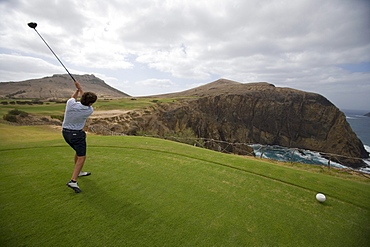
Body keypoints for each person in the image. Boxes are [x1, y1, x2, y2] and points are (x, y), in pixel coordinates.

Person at [62, 80, 97, 193]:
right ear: (91, 103)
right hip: (77, 135)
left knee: (78, 152)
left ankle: (79, 171)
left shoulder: (70, 104)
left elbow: (76, 98)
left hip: (65, 133)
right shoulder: (89, 110)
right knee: (82, 157)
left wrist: (78, 89)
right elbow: (86, 101)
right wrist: (80, 89)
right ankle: (73, 180)